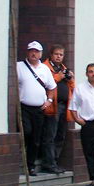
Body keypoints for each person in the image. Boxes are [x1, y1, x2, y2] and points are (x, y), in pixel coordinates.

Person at [17, 41, 57, 176]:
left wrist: (49, 100)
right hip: (24, 107)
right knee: (26, 132)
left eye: (36, 51)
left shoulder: (44, 69)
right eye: (31, 51)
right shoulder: (20, 66)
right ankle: (21, 157)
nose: (33, 53)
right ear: (28, 52)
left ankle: (30, 166)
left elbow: (52, 87)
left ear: (40, 54)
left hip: (39, 109)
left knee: (36, 138)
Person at [42, 45, 74, 170]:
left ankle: (54, 160)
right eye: (56, 54)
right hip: (52, 106)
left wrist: (70, 78)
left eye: (61, 54)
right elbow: (44, 82)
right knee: (51, 134)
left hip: (64, 106)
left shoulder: (63, 69)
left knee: (61, 135)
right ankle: (48, 162)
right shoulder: (45, 67)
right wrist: (58, 77)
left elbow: (73, 86)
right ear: (51, 54)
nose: (58, 56)